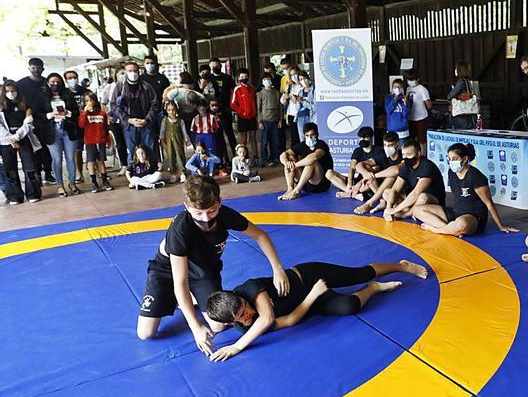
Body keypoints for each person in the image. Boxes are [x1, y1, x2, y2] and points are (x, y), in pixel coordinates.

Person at [136, 176, 291, 358]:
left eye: (211, 211)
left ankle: (192, 298)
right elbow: (181, 282)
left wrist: (278, 268)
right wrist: (195, 328)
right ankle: (181, 298)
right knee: (146, 333)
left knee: (218, 325)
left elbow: (261, 236)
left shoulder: (225, 215)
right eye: (198, 213)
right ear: (187, 207)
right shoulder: (180, 229)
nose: (205, 219)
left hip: (203, 271)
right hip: (168, 270)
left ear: (219, 202)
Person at [203, 259, 428, 361]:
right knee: (348, 306)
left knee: (359, 274)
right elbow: (290, 320)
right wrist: (313, 296)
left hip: (309, 276)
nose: (249, 313)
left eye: (245, 307)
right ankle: (375, 288)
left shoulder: (249, 290)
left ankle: (401, 266)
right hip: (310, 302)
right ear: (234, 322)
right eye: (243, 317)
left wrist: (236, 348)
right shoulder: (246, 330)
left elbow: (268, 317)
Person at [414, 143, 517, 236]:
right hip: (456, 213)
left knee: (461, 224)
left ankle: (437, 230)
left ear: (464, 159)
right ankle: (450, 229)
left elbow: (489, 203)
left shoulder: (475, 176)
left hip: (473, 218)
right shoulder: (451, 172)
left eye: (454, 159)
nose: (451, 162)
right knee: (417, 210)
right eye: (449, 159)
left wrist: (501, 226)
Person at [382, 138, 445, 222]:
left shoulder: (427, 166)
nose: (405, 157)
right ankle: (412, 211)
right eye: (403, 155)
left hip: (432, 199)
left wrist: (395, 210)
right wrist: (388, 209)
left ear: (418, 154)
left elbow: (416, 193)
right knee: (387, 192)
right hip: (413, 198)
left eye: (408, 154)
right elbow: (395, 189)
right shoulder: (405, 166)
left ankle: (405, 214)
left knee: (423, 197)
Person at [0, 80, 42, 203]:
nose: (11, 93)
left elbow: (28, 122)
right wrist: (10, 138)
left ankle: (33, 193)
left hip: (23, 136)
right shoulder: (1, 106)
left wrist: (17, 136)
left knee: (30, 166)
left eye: (13, 91)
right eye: (7, 91)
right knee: (10, 168)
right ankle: (14, 195)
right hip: (6, 140)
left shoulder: (25, 105)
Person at [112, 61, 160, 167]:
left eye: (135, 71)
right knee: (132, 151)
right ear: (125, 72)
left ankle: (152, 171)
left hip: (146, 124)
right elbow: (114, 105)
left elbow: (155, 104)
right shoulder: (120, 87)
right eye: (130, 71)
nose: (133, 73)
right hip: (129, 125)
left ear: (139, 71)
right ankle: (133, 174)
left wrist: (147, 119)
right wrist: (128, 119)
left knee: (150, 149)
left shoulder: (146, 87)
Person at [17, 57, 53, 184]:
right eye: (33, 67)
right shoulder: (21, 84)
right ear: (29, 68)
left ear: (43, 69)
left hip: (46, 118)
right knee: (34, 148)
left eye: (38, 68)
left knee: (47, 146)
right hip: (29, 119)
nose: (35, 70)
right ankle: (37, 173)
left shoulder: (46, 82)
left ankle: (48, 173)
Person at [45, 72, 83, 197]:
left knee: (70, 158)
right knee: (56, 159)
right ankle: (60, 185)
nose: (55, 84)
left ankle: (72, 183)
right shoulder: (43, 97)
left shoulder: (68, 95)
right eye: (52, 82)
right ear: (48, 83)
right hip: (52, 130)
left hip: (68, 129)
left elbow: (76, 112)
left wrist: (67, 113)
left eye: (58, 82)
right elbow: (38, 115)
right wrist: (50, 114)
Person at [278, 122, 334, 200]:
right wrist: (286, 163)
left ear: (317, 134)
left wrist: (294, 165)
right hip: (305, 183)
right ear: (304, 136)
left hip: (320, 184)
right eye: (307, 136)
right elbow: (283, 154)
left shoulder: (322, 144)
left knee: (311, 162)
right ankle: (290, 189)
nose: (309, 138)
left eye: (312, 135)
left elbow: (314, 157)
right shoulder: (302, 145)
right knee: (290, 158)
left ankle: (296, 191)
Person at [353, 131, 404, 215]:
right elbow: (359, 165)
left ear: (397, 145)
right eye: (385, 145)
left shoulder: (403, 154)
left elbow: (396, 170)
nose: (387, 148)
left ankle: (370, 203)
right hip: (383, 186)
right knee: (367, 169)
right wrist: (366, 173)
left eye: (390, 145)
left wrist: (374, 176)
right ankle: (382, 201)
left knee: (391, 176)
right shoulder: (382, 154)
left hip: (399, 186)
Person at [77, 94, 114, 193]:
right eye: (86, 101)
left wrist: (107, 139)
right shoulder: (84, 113)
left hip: (101, 140)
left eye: (90, 100)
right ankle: (94, 182)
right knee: (91, 162)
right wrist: (85, 112)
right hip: (90, 141)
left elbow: (105, 127)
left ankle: (105, 180)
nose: (89, 102)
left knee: (101, 161)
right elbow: (81, 124)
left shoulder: (102, 113)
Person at [335, 126, 380, 200]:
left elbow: (374, 170)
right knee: (329, 173)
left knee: (369, 179)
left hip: (371, 180)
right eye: (361, 137)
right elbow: (352, 167)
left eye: (365, 137)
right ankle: (350, 192)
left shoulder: (378, 151)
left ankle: (349, 194)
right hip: (358, 180)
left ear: (371, 138)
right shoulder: (357, 150)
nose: (362, 139)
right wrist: (349, 184)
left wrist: (358, 185)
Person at [207, 57, 238, 161]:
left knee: (230, 134)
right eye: (213, 67)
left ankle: (237, 156)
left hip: (226, 109)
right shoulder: (209, 79)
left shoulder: (227, 78)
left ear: (221, 65)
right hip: (214, 111)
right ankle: (224, 159)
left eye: (217, 66)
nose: (215, 68)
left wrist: (232, 106)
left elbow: (233, 92)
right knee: (219, 136)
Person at [64, 70, 88, 183]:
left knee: (93, 148)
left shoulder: (85, 91)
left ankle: (99, 171)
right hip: (73, 125)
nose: (72, 79)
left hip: (88, 123)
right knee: (77, 150)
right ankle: (79, 174)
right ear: (66, 80)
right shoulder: (64, 93)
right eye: (69, 78)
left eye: (74, 77)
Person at [230, 68, 259, 163]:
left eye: (246, 77)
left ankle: (255, 157)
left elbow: (256, 102)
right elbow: (233, 104)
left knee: (253, 138)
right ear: (238, 78)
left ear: (248, 77)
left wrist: (255, 113)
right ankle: (244, 158)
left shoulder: (253, 89)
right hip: (242, 118)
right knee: (243, 139)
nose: (244, 78)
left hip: (252, 117)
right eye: (242, 77)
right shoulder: (237, 89)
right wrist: (241, 112)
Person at [159, 101, 191, 183]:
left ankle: (182, 172)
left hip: (178, 141)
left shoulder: (180, 121)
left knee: (180, 155)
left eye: (173, 109)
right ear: (166, 110)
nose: (171, 112)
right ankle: (173, 173)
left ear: (176, 110)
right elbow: (162, 132)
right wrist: (162, 141)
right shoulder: (165, 121)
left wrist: (186, 140)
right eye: (169, 110)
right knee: (171, 156)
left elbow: (184, 132)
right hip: (169, 143)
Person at [256, 72, 283, 166]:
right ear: (262, 81)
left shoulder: (276, 92)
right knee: (264, 142)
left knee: (275, 141)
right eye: (265, 80)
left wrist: (280, 120)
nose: (267, 81)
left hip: (275, 121)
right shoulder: (259, 94)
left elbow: (280, 107)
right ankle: (264, 158)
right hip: (264, 121)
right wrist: (259, 122)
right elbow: (258, 109)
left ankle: (274, 158)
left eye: (269, 79)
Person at [106, 69, 129, 176]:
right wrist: (108, 116)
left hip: (127, 118)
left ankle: (134, 164)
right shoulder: (110, 87)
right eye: (122, 73)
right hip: (115, 119)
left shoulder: (130, 85)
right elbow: (103, 102)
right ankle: (124, 165)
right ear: (116, 75)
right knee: (120, 143)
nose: (124, 75)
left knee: (130, 142)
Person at [404, 70, 431, 155]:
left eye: (412, 79)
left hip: (421, 118)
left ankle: (422, 157)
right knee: (411, 140)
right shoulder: (408, 89)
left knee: (421, 141)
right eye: (409, 79)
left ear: (418, 79)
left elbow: (429, 105)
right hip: (410, 118)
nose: (410, 81)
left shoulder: (422, 89)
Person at [447, 61, 479, 130]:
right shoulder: (468, 81)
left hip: (461, 115)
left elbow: (450, 96)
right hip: (469, 115)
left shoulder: (461, 81)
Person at [281, 66, 304, 148]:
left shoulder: (304, 85)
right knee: (294, 137)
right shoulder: (290, 87)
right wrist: (285, 97)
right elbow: (282, 101)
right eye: (292, 75)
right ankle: (295, 156)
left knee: (303, 136)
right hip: (292, 114)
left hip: (303, 114)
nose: (294, 76)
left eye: (296, 74)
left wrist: (297, 98)